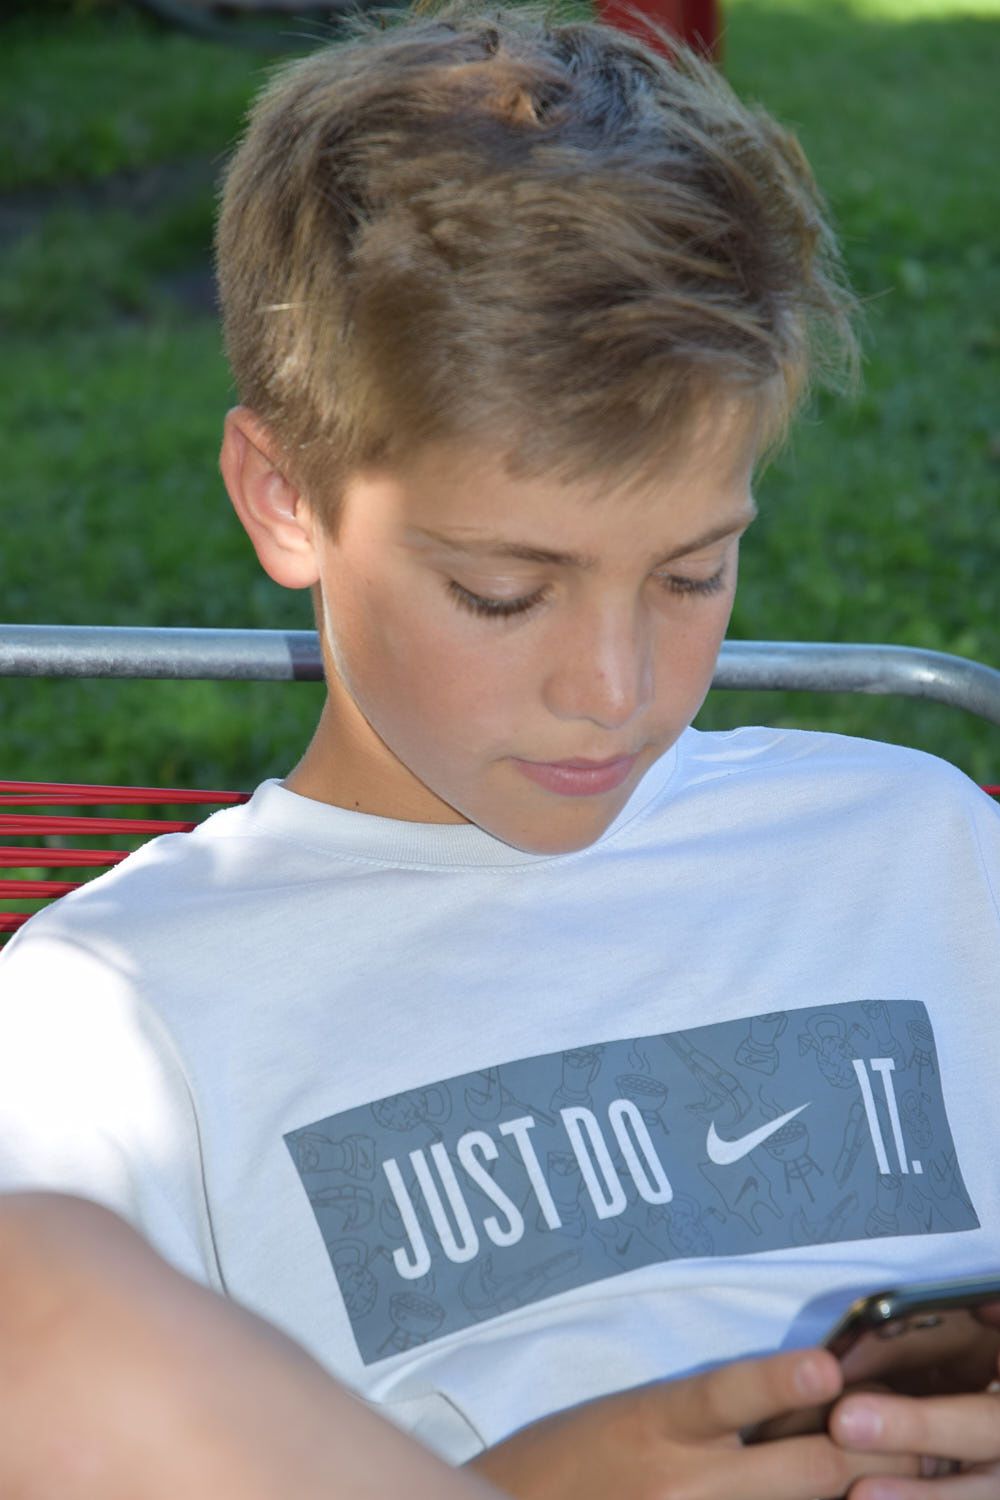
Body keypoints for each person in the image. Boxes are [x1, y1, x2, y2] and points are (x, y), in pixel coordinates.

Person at [1, 4, 999, 1495]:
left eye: (691, 574)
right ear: (285, 499)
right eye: (503, 592)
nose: (614, 690)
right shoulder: (115, 1020)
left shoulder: (921, 848)